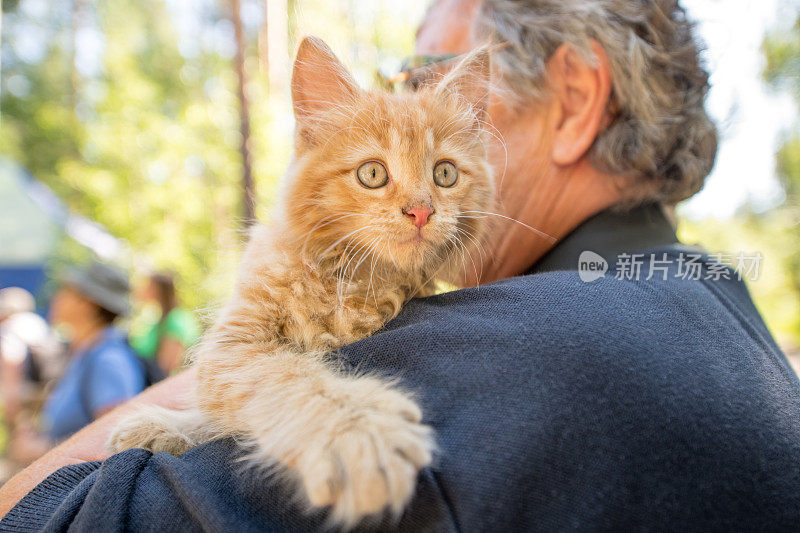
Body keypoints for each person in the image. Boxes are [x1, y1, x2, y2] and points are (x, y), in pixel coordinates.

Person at [2, 0, 800, 530]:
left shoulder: (512, 362)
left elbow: (44, 517)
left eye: (426, 72)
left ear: (577, 97)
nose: (417, 101)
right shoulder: (727, 328)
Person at [39, 262, 146, 442]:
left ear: (88, 303)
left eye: (66, 290)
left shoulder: (108, 360)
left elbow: (112, 441)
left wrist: (43, 449)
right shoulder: (85, 352)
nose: (56, 296)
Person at [130, 272, 199, 374]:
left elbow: (166, 368)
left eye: (149, 286)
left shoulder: (176, 320)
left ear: (158, 290)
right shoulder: (156, 318)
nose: (143, 289)